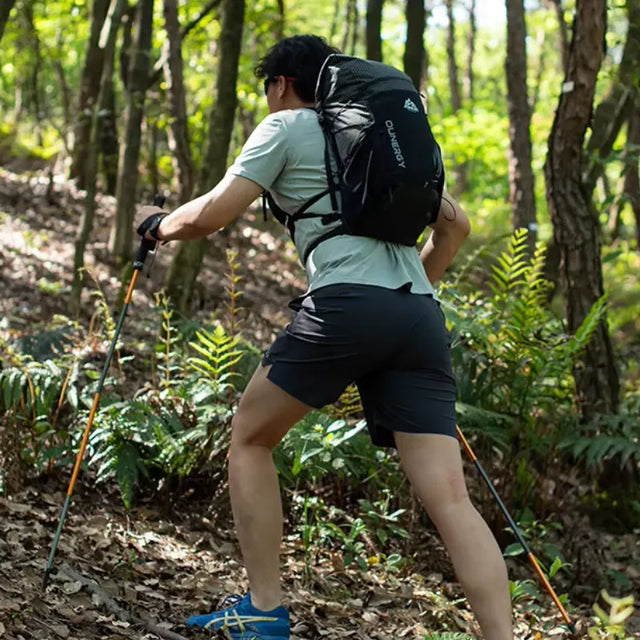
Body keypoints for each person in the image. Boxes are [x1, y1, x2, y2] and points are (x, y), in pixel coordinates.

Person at [136, 34, 512, 640]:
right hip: (419, 314)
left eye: (267, 89)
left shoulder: (286, 129)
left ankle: (262, 610)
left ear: (282, 85)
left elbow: (211, 214)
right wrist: (401, 305)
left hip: (346, 305)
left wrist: (157, 227)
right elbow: (457, 227)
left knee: (250, 439)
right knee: (450, 499)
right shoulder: (377, 145)